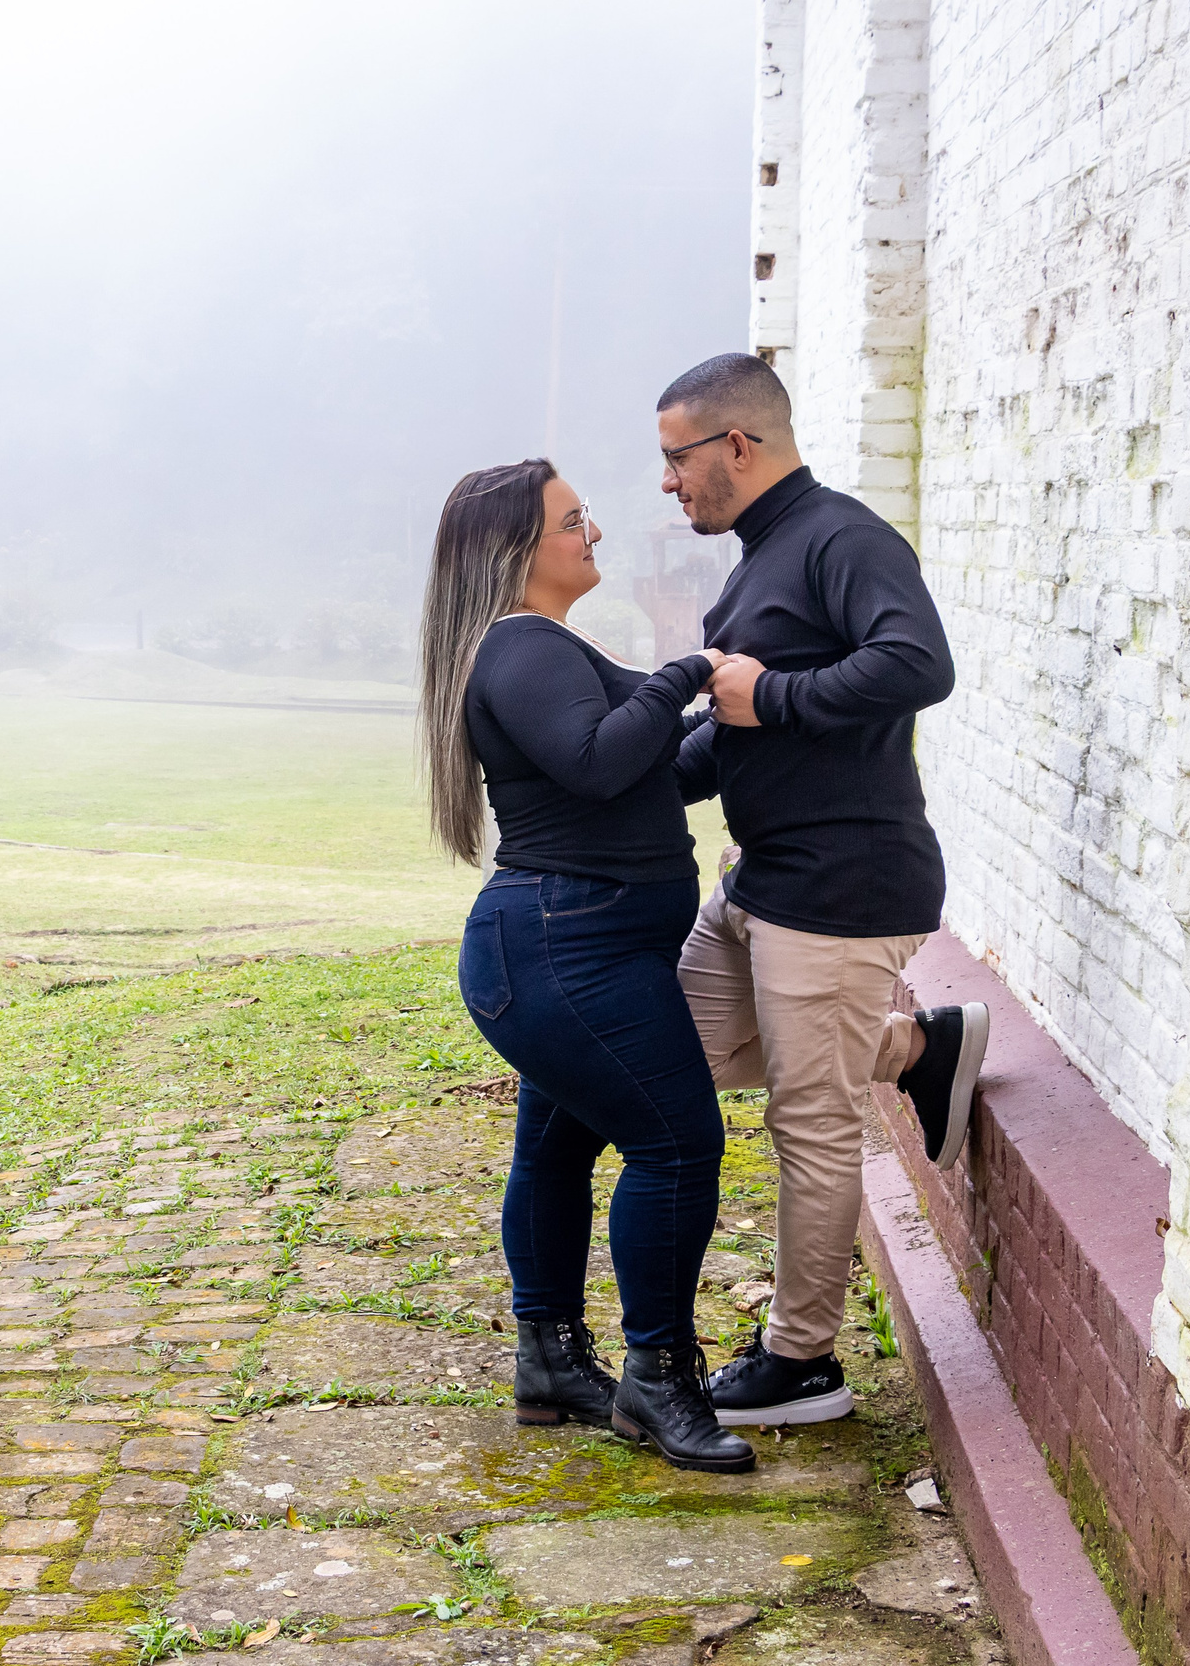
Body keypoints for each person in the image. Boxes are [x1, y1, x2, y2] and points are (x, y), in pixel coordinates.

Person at [657, 354, 991, 1428]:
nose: (668, 482)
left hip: (842, 888)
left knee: (811, 1124)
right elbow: (732, 728)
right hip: (762, 880)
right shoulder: (760, 560)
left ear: (737, 446)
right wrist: (611, 773)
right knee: (675, 1058)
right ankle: (908, 1049)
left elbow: (918, 665)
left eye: (677, 458)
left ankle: (802, 1361)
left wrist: (776, 697)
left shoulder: (843, 539)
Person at [419, 458, 756, 1475]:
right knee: (678, 1147)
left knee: (561, 1150)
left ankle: (552, 1361)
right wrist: (689, 671)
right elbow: (604, 758)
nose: (595, 532)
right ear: (516, 550)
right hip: (566, 948)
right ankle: (657, 1382)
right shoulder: (520, 649)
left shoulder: (542, 648)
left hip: (571, 944)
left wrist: (748, 717)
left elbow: (652, 774)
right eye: (573, 521)